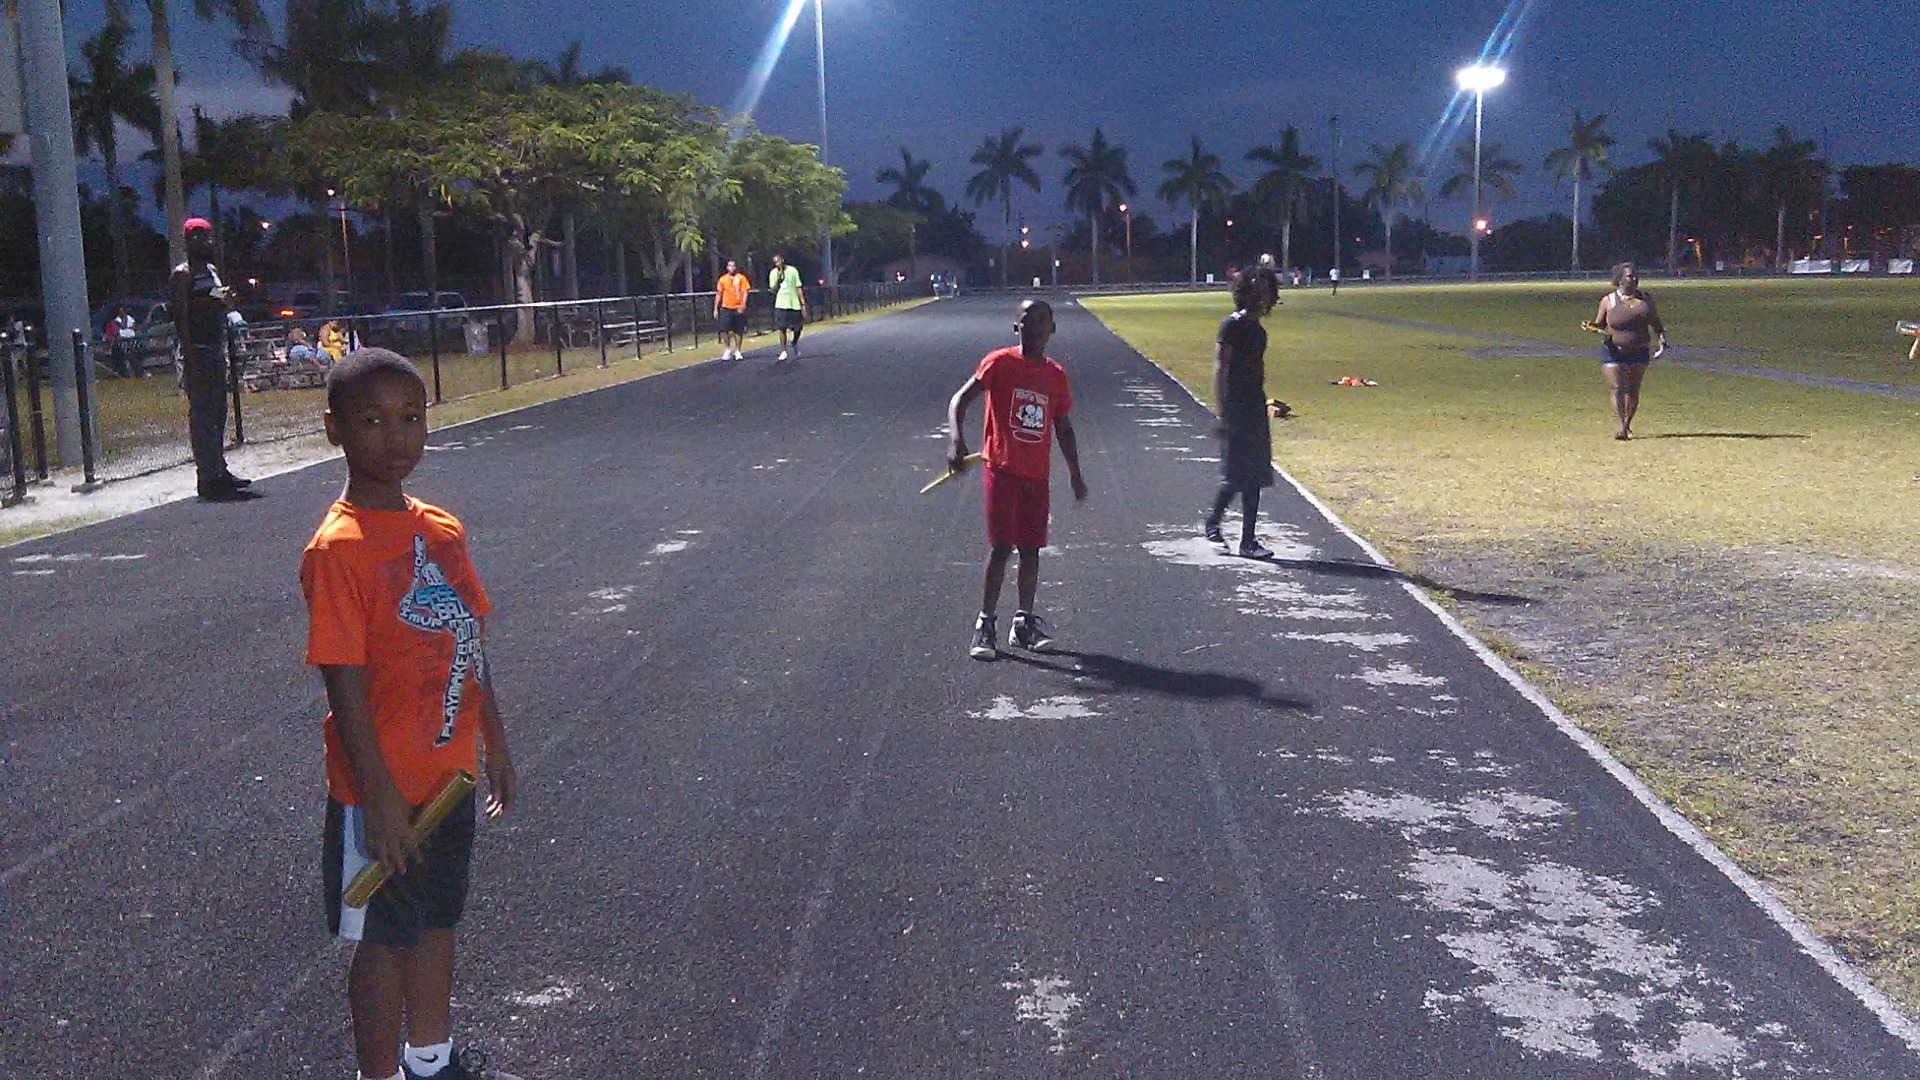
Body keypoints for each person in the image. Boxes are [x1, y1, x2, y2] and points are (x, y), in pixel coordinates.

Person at [301, 348, 518, 1080]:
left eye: (411, 418)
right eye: (371, 420)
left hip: (448, 777)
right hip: (383, 792)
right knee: (382, 940)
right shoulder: (339, 549)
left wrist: (494, 737)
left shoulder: (442, 532)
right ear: (334, 430)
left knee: (436, 922)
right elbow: (342, 677)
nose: (395, 437)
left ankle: (430, 1058)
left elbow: (469, 637)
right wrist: (379, 794)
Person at [947, 299, 1089, 660]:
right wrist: (956, 441)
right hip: (1002, 469)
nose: (1037, 326)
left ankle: (1023, 621)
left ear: (1053, 329)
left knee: (1031, 549)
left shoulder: (1055, 375)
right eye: (1028, 319)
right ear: (1016, 327)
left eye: (1044, 320)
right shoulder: (999, 363)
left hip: (1036, 475)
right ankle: (986, 624)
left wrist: (1075, 472)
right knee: (1001, 548)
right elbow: (960, 400)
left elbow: (1063, 426)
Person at [169, 217, 256, 501]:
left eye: (205, 236)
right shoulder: (182, 274)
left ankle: (219, 469)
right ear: (186, 241)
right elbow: (181, 314)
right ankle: (206, 476)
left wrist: (227, 300)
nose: (202, 242)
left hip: (215, 346)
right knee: (202, 414)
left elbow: (219, 302)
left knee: (218, 412)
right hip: (197, 348)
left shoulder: (211, 271)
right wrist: (189, 356)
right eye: (196, 237)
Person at [1204, 266, 1282, 558]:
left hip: (1254, 404)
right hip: (1236, 405)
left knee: (1256, 474)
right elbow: (1220, 368)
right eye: (1256, 290)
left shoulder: (1258, 329)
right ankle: (1215, 525)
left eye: (1266, 290)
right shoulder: (1232, 326)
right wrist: (1222, 412)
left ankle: (1244, 538)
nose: (1261, 295)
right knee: (1237, 474)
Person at [1584, 261, 1668, 441]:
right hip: (1613, 350)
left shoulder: (1646, 299)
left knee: (1633, 389)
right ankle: (1621, 426)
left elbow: (1655, 321)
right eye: (1630, 276)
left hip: (1639, 349)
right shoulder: (1608, 301)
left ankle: (1628, 423)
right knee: (1618, 387)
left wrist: (1661, 337)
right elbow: (1599, 323)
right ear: (1620, 279)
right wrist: (1591, 327)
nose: (1635, 279)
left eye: (1636, 275)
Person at [769, 253, 809, 361]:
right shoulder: (773, 273)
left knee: (798, 328)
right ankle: (783, 351)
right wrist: (778, 278)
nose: (777, 264)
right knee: (782, 327)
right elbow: (773, 290)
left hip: (794, 303)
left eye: (778, 261)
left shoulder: (793, 271)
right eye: (775, 262)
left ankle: (794, 341)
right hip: (781, 304)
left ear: (782, 260)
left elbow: (798, 287)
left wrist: (803, 304)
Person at [714, 259, 751, 361]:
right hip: (726, 307)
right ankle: (727, 349)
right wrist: (715, 309)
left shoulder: (741, 278)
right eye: (730, 266)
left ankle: (738, 351)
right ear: (727, 267)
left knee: (738, 330)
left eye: (733, 266)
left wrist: (743, 304)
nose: (731, 268)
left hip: (737, 308)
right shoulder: (722, 279)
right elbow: (719, 293)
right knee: (723, 329)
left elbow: (745, 292)